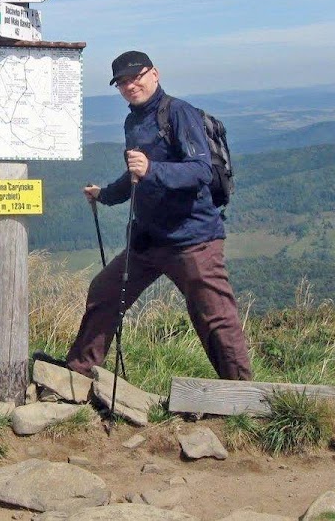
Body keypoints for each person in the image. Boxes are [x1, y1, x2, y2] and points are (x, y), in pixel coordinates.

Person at [65, 50, 252, 381]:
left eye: (135, 77)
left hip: (193, 240)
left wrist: (152, 168)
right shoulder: (133, 121)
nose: (129, 85)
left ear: (155, 74)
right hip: (147, 241)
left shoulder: (180, 113)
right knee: (104, 292)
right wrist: (106, 194)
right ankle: (77, 374)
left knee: (215, 317)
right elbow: (136, 174)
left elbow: (200, 171)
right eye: (121, 82)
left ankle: (240, 395)